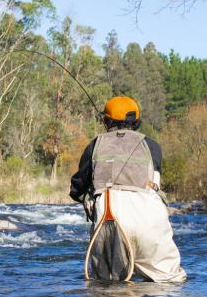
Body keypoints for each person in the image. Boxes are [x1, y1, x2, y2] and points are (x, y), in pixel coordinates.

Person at [70, 96, 186, 282]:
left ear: (106, 121)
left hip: (110, 220)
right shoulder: (152, 146)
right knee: (169, 285)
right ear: (136, 121)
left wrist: (83, 196)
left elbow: (77, 187)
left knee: (107, 289)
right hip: (150, 219)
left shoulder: (95, 146)